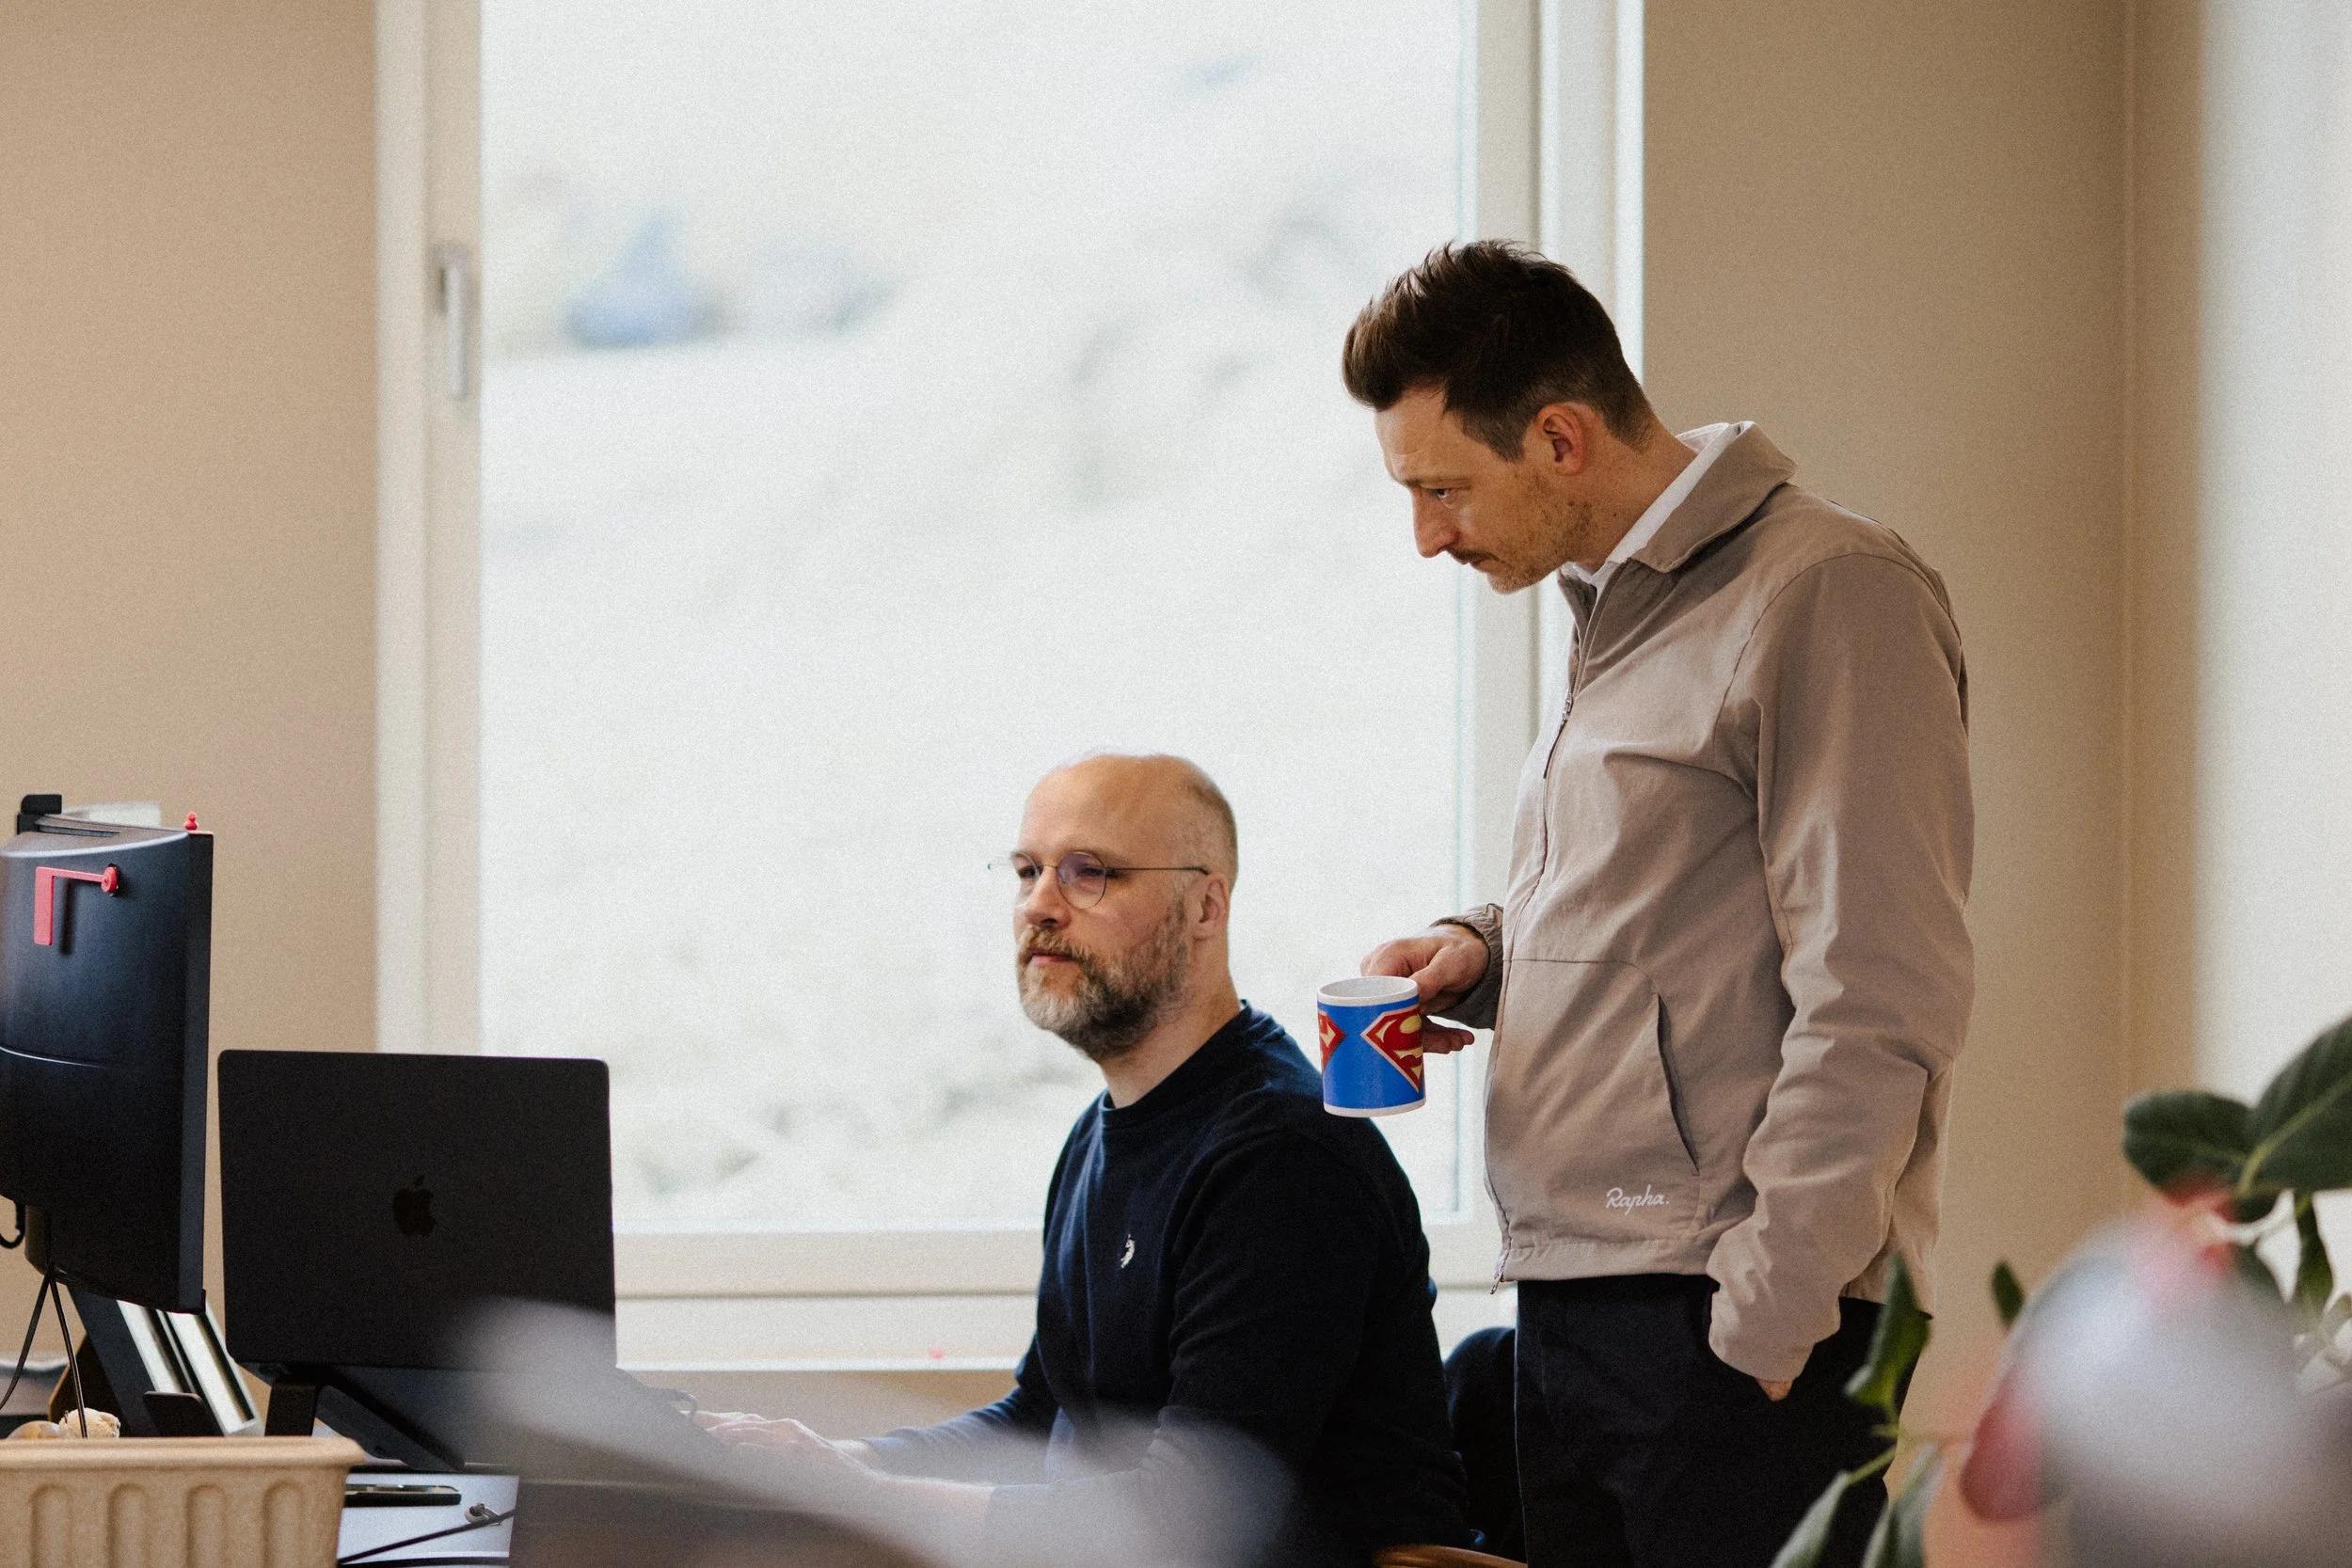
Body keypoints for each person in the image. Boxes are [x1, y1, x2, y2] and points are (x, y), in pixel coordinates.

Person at [1345, 242, 1974, 1568]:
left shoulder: (1827, 591)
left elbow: (1883, 985)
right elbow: (1659, 899)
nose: (1428, 535)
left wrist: (1768, 1313)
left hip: (1724, 1325)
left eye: (1444, 488)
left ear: (1561, 437)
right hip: (1578, 1302)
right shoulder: (1608, 617)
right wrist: (1485, 950)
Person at [700, 752, 1473, 1568]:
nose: (1038, 904)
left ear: (1206, 904)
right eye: (1028, 870)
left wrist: (862, 1495)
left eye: (1088, 873)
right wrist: (841, 1462)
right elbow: (1042, 1418)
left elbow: (1185, 1516)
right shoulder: (1099, 1134)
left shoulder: (1283, 1155)